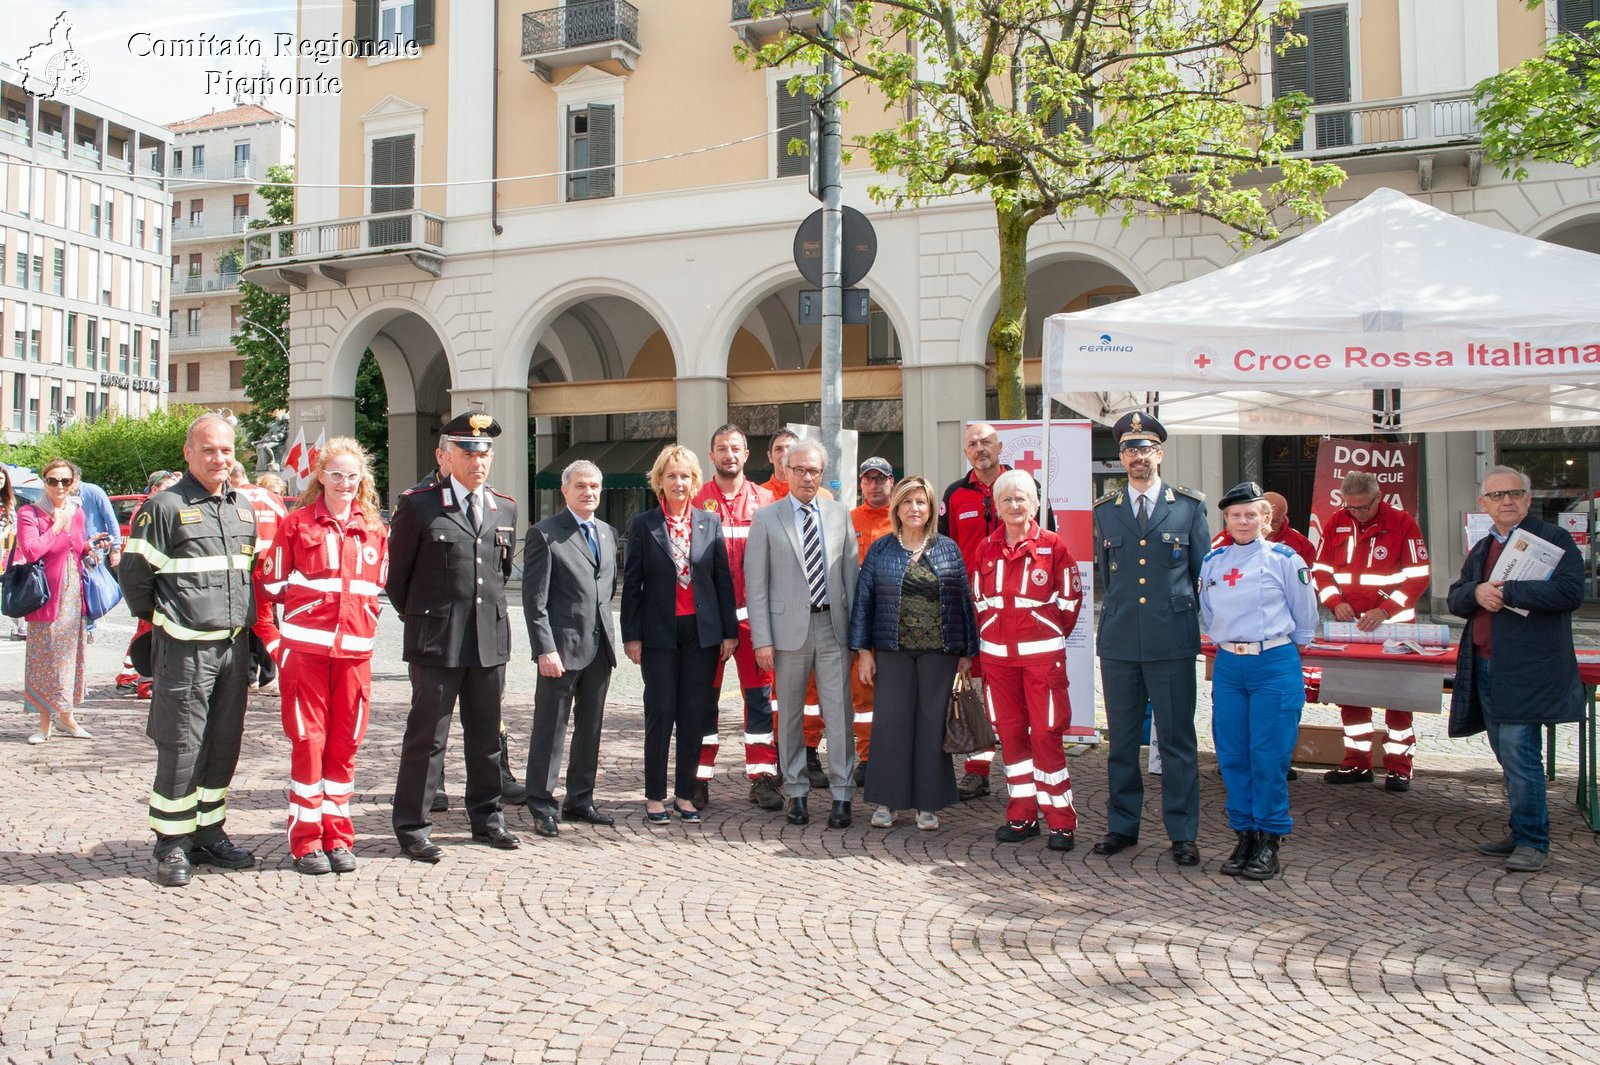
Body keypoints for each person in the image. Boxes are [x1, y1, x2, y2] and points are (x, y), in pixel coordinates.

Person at [120, 414, 259, 888]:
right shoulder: (163, 507)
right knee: (180, 747)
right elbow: (136, 581)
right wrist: (169, 622)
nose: (218, 458)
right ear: (188, 453)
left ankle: (208, 833)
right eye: (208, 450)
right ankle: (172, 844)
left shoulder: (242, 509)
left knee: (223, 746)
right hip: (184, 652)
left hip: (233, 649)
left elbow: (246, 580)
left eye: (225, 450)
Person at [388, 412, 522, 861]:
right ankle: (413, 826)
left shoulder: (504, 506)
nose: (477, 462)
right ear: (445, 456)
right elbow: (398, 580)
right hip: (437, 639)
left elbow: (498, 576)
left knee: (486, 737)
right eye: (467, 452)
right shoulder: (419, 504)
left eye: (484, 454)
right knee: (428, 738)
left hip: (488, 639)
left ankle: (487, 820)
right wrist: (426, 619)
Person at [254, 438, 389, 875]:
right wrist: (275, 644)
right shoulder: (295, 525)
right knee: (309, 745)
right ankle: (306, 842)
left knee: (345, 745)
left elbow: (376, 591)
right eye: (336, 475)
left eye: (352, 476)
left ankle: (339, 836)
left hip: (354, 660)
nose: (344, 483)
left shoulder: (374, 528)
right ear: (320, 477)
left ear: (362, 479)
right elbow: (265, 590)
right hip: (306, 658)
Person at [1448, 466, 1585, 874]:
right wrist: (1476, 591)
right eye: (1497, 495)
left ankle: (1532, 841)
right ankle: (1521, 829)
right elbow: (1457, 597)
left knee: (1522, 756)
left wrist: (1505, 592)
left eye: (1514, 493)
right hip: (1487, 664)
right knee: (1506, 754)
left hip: (1526, 669)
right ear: (1484, 504)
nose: (1506, 501)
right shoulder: (1483, 547)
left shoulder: (1554, 539)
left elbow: (1571, 591)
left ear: (1528, 498)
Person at [1092, 411, 1209, 865]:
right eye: (1128, 450)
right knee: (1121, 742)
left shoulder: (1189, 507)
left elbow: (1201, 576)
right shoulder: (1107, 511)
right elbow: (1109, 578)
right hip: (1120, 642)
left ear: (1159, 454)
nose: (1136, 457)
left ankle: (1182, 832)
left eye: (1144, 449)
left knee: (1177, 741)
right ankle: (1123, 825)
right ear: (1120, 457)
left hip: (1172, 642)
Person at [1200, 484, 1319, 881]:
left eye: (1251, 514)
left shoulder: (1286, 559)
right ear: (1227, 520)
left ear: (1266, 519)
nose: (1243, 521)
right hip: (1230, 665)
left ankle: (1270, 837)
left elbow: (1305, 617)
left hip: (1273, 661)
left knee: (1269, 755)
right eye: (1236, 515)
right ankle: (1244, 833)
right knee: (1232, 754)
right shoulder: (1214, 561)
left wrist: (1278, 651)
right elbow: (1207, 612)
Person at [621, 445, 738, 825]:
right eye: (671, 475)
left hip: (701, 635)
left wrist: (728, 632)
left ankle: (685, 795)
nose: (678, 482)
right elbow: (632, 584)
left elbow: (722, 580)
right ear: (659, 480)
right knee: (661, 712)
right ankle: (655, 796)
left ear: (694, 481)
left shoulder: (709, 522)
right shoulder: (643, 525)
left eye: (685, 475)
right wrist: (631, 636)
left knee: (693, 715)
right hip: (658, 634)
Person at [850, 475, 975, 830]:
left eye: (921, 502)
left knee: (931, 725)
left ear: (931, 508)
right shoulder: (881, 549)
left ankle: (927, 803)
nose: (914, 508)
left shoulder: (948, 548)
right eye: (907, 502)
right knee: (891, 724)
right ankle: (887, 802)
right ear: (897, 508)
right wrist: (863, 651)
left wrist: (967, 651)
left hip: (940, 651)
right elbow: (864, 602)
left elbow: (964, 602)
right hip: (893, 649)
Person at [747, 438, 860, 828]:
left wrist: (857, 636)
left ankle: (842, 794)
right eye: (799, 469)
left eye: (813, 470)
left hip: (833, 627)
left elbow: (852, 578)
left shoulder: (839, 514)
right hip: (785, 633)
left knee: (839, 714)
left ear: (822, 474)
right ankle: (796, 791)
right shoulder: (766, 517)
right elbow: (756, 584)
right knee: (790, 716)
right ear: (786, 471)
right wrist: (761, 638)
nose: (806, 477)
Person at [970, 470, 1085, 851]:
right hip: (998, 663)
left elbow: (1069, 604)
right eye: (1007, 499)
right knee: (1012, 737)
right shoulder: (985, 548)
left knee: (1047, 736)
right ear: (997, 507)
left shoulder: (1054, 546)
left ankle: (1061, 821)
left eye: (1022, 499)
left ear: (1034, 504)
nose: (1015, 506)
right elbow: (977, 601)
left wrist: (1043, 632)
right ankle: (1022, 815)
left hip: (1041, 661)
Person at [939, 421, 1052, 800]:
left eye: (986, 441)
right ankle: (978, 768)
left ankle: (1032, 767)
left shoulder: (1025, 486)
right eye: (972, 443)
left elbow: (1051, 544)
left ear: (1000, 445)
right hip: (973, 609)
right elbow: (944, 550)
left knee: (1021, 691)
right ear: (965, 451)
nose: (980, 448)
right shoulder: (955, 494)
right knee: (975, 688)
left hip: (1021, 611)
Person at [1312, 470, 1432, 791]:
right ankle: (1357, 763)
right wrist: (1335, 602)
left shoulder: (1402, 523)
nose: (1357, 514)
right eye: (1351, 507)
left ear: (1378, 498)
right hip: (1348, 626)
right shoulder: (1337, 521)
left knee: (1397, 699)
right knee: (1351, 696)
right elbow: (1320, 571)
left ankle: (1399, 767)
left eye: (1363, 507)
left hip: (1393, 627)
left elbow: (1418, 576)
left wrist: (1385, 609)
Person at [521, 459, 619, 838]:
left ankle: (580, 799)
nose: (588, 492)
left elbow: (604, 592)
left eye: (594, 485)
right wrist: (544, 648)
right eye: (580, 485)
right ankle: (542, 804)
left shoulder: (608, 533)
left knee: (590, 728)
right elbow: (535, 600)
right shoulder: (545, 534)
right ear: (564, 490)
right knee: (551, 728)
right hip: (559, 650)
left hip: (599, 648)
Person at [689, 424, 778, 810]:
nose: (729, 455)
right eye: (722, 448)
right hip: (707, 621)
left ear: (746, 455)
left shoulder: (767, 499)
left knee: (760, 700)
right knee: (703, 700)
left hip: (754, 620)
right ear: (711, 456)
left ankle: (762, 777)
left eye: (736, 448)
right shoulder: (695, 499)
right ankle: (698, 778)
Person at [18, 459, 107, 744]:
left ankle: (67, 718)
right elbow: (32, 551)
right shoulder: (29, 513)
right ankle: (44, 724)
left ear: (73, 484)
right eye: (53, 480)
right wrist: (56, 525)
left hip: (73, 594)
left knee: (70, 658)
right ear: (44, 481)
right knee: (45, 659)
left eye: (65, 481)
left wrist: (90, 547)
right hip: (45, 595)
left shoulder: (77, 513)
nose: (59, 486)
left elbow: (76, 547)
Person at [847, 457, 897, 785]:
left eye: (881, 478)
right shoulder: (847, 519)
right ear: (860, 483)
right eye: (868, 479)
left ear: (892, 482)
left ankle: (895, 754)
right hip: (858, 620)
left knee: (895, 692)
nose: (874, 484)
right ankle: (867, 756)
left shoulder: (904, 519)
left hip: (894, 622)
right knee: (862, 696)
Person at [113, 470, 180, 699]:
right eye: (167, 487)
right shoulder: (149, 509)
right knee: (148, 632)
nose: (172, 492)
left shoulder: (157, 506)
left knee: (146, 631)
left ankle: (130, 675)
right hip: (150, 579)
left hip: (161, 578)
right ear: (154, 488)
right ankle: (143, 680)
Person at [231, 461, 288, 690]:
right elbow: (288, 528)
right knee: (265, 621)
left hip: (245, 564)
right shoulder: (269, 496)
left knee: (253, 624)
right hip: (272, 565)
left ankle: (288, 667)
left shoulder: (233, 496)